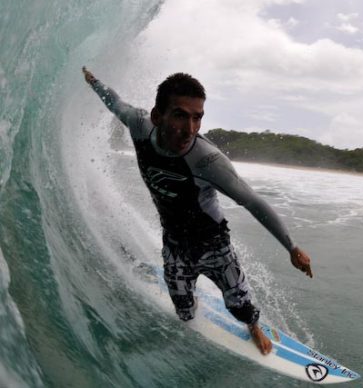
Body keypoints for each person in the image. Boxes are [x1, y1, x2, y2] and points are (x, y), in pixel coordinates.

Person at [82, 67, 313, 355]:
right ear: (157, 116)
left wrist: (291, 247)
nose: (190, 129)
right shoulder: (140, 126)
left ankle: (253, 326)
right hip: (175, 244)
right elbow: (115, 103)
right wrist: (93, 80)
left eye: (198, 117)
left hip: (214, 244)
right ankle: (192, 304)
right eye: (180, 115)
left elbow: (253, 201)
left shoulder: (207, 161)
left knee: (239, 304)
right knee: (183, 310)